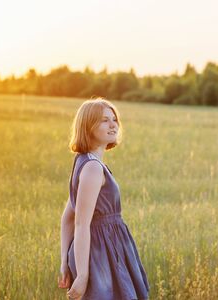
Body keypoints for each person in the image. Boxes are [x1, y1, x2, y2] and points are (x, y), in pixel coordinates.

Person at [58, 98, 150, 299]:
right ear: (87, 126)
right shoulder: (92, 168)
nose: (113, 124)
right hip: (100, 253)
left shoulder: (85, 162)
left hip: (107, 248)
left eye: (114, 119)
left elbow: (68, 217)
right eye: (104, 120)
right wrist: (82, 275)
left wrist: (65, 261)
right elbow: (80, 223)